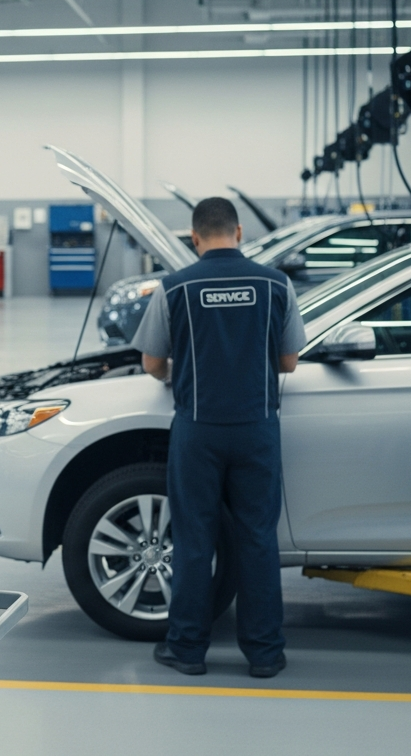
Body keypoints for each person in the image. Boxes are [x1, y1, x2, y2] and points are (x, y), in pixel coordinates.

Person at [131, 197, 305, 679]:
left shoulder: (175, 288)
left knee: (193, 541)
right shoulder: (275, 284)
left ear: (195, 237)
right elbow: (289, 361)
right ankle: (265, 653)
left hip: (198, 431)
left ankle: (187, 649)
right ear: (240, 232)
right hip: (257, 429)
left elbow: (151, 363)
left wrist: (183, 371)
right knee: (256, 540)